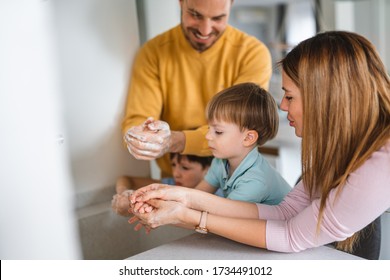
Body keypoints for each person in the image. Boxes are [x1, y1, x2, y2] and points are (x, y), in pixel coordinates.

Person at [128, 31, 390, 256]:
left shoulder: (381, 162)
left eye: (289, 96)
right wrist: (182, 196)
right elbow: (287, 211)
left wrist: (187, 216)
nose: (283, 105)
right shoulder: (345, 150)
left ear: (325, 99)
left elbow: (290, 235)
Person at [122, 0, 272, 181]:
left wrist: (174, 141)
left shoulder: (252, 54)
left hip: (232, 179)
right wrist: (142, 136)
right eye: (195, 15)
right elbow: (137, 118)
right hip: (177, 179)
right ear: (181, 3)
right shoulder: (152, 53)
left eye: (218, 18)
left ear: (231, 6)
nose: (205, 30)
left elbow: (239, 130)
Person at [193, 82, 291, 203]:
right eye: (209, 128)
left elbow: (223, 216)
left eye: (218, 131)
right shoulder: (220, 163)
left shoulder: (255, 181)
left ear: (248, 138)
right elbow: (196, 196)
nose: (208, 136)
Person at [111, 153, 213, 216]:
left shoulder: (218, 196)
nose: (175, 174)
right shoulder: (170, 185)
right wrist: (123, 193)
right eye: (173, 165)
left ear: (209, 170)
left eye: (185, 168)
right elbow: (125, 179)